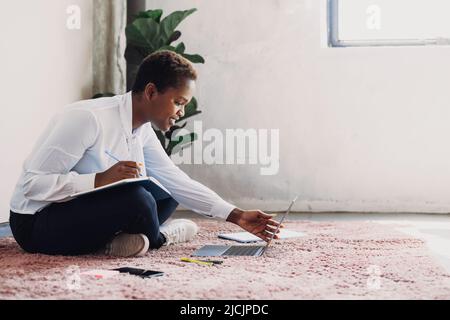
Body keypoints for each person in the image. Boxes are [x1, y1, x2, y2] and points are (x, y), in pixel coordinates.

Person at [9, 51, 282, 257]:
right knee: (138, 199)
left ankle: (115, 242)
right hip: (35, 224)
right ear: (151, 92)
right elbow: (32, 186)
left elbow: (177, 181)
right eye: (178, 102)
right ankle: (161, 237)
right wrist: (98, 179)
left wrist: (236, 215)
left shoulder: (141, 129)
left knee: (165, 193)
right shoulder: (87, 119)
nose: (180, 112)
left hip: (80, 213)